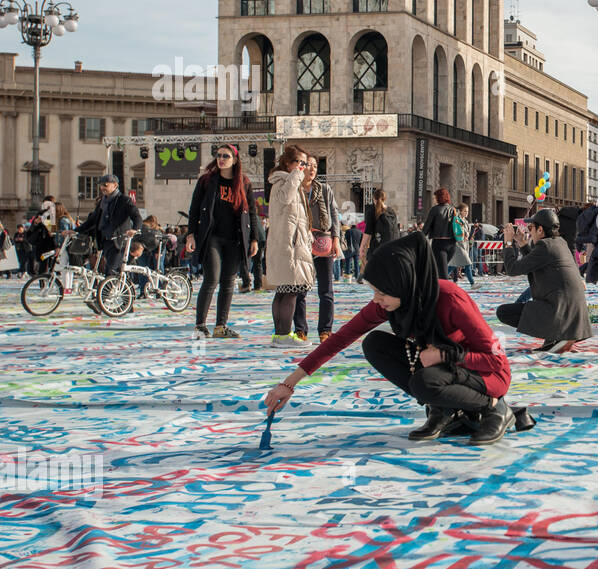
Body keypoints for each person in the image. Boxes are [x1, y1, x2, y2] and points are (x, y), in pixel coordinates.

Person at [263, 233, 523, 446]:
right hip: (443, 370)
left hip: (484, 375)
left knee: (425, 381)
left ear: (403, 284)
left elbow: (497, 362)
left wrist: (447, 356)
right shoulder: (393, 304)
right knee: (374, 344)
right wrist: (288, 384)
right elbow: (341, 338)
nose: (376, 299)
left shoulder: (450, 299)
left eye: (381, 291)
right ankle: (444, 410)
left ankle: (495, 410)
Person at [184, 144, 256, 338]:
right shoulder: (207, 181)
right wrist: (191, 235)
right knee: (212, 278)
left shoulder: (244, 183)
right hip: (211, 237)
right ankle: (200, 325)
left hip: (235, 238)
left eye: (226, 156)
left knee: (228, 282)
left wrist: (255, 239)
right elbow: (194, 209)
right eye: (218, 155)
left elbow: (252, 213)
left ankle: (220, 326)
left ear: (235, 159)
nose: (221, 159)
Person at [496, 208, 592, 353]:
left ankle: (558, 335)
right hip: (574, 315)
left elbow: (512, 269)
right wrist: (523, 244)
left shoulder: (545, 246)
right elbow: (535, 263)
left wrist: (508, 244)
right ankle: (556, 338)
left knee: (504, 312)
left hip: (560, 312)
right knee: (529, 307)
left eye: (531, 228)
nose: (530, 231)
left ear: (540, 230)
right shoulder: (559, 243)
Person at [265, 145, 315, 346]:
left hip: (292, 243)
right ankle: (283, 334)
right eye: (299, 162)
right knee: (291, 289)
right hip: (289, 245)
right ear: (288, 163)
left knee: (285, 290)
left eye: (304, 163)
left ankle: (280, 334)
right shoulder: (284, 182)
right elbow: (285, 200)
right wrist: (295, 176)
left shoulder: (289, 182)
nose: (302, 167)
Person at [298, 156, 341, 342]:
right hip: (301, 241)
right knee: (300, 288)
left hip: (323, 242)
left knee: (326, 289)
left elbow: (334, 214)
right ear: (302, 167)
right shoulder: (296, 189)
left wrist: (336, 239)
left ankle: (325, 330)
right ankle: (300, 329)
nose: (312, 169)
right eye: (309, 165)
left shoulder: (324, 189)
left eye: (315, 166)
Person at [77, 174, 141, 279]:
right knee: (109, 269)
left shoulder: (124, 200)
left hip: (118, 241)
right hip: (105, 240)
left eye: (105, 185)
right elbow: (92, 220)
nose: (102, 188)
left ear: (115, 185)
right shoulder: (103, 201)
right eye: (101, 185)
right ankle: (113, 290)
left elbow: (136, 216)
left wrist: (135, 229)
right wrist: (76, 231)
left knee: (111, 270)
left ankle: (106, 294)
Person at [422, 188, 456, 280]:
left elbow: (426, 227)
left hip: (439, 244)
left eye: (435, 197)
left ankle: (443, 292)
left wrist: (419, 237)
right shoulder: (453, 209)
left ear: (439, 197)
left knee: (443, 274)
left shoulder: (435, 210)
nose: (434, 199)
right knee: (441, 271)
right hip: (452, 244)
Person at [360, 190, 398, 270]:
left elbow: (368, 231)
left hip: (377, 248)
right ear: (385, 199)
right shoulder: (391, 211)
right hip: (392, 248)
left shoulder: (371, 211)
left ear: (374, 198)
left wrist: (362, 247)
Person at [448, 204, 475, 287]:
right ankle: (472, 283)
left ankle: (439, 280)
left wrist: (468, 236)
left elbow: (467, 232)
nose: (467, 213)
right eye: (465, 211)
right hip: (458, 245)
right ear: (460, 211)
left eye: (467, 211)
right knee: (467, 264)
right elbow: (457, 232)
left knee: (452, 265)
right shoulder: (457, 220)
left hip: (464, 245)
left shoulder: (465, 221)